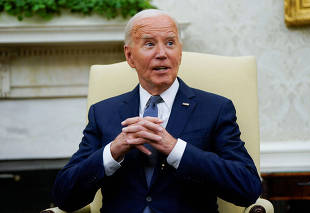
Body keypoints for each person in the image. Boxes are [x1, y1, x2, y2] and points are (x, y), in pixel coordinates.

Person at [53, 9, 262, 213]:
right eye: (149, 44)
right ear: (130, 55)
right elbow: (65, 197)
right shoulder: (103, 112)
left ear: (179, 51)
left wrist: (175, 149)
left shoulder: (215, 109)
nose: (162, 54)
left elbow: (247, 188)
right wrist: (113, 151)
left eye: (170, 43)